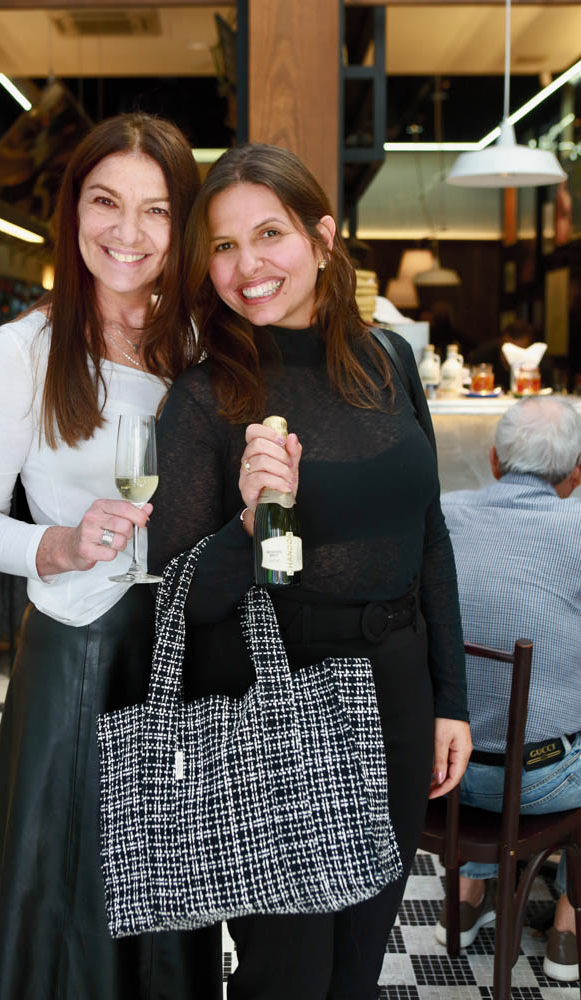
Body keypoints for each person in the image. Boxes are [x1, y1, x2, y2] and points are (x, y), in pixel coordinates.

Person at [148, 143, 472, 1000]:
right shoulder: (204, 398)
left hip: (396, 686)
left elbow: (430, 536)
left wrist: (451, 699)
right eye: (223, 246)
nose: (247, 265)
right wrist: (249, 523)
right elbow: (179, 596)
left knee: (359, 963)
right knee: (287, 976)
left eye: (270, 234)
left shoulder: (390, 360)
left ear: (323, 238)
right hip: (270, 693)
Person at [0, 113, 222, 1000]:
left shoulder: (203, 348)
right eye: (106, 202)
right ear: (73, 212)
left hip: (183, 657)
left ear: (183, 225)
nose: (127, 232)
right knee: (74, 911)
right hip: (81, 655)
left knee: (167, 909)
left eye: (156, 210)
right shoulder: (24, 351)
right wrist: (59, 544)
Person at [436, 395, 581, 981]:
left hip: (441, 771)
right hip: (542, 782)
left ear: (494, 461)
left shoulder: (442, 514)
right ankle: (568, 930)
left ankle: (468, 895)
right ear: (576, 473)